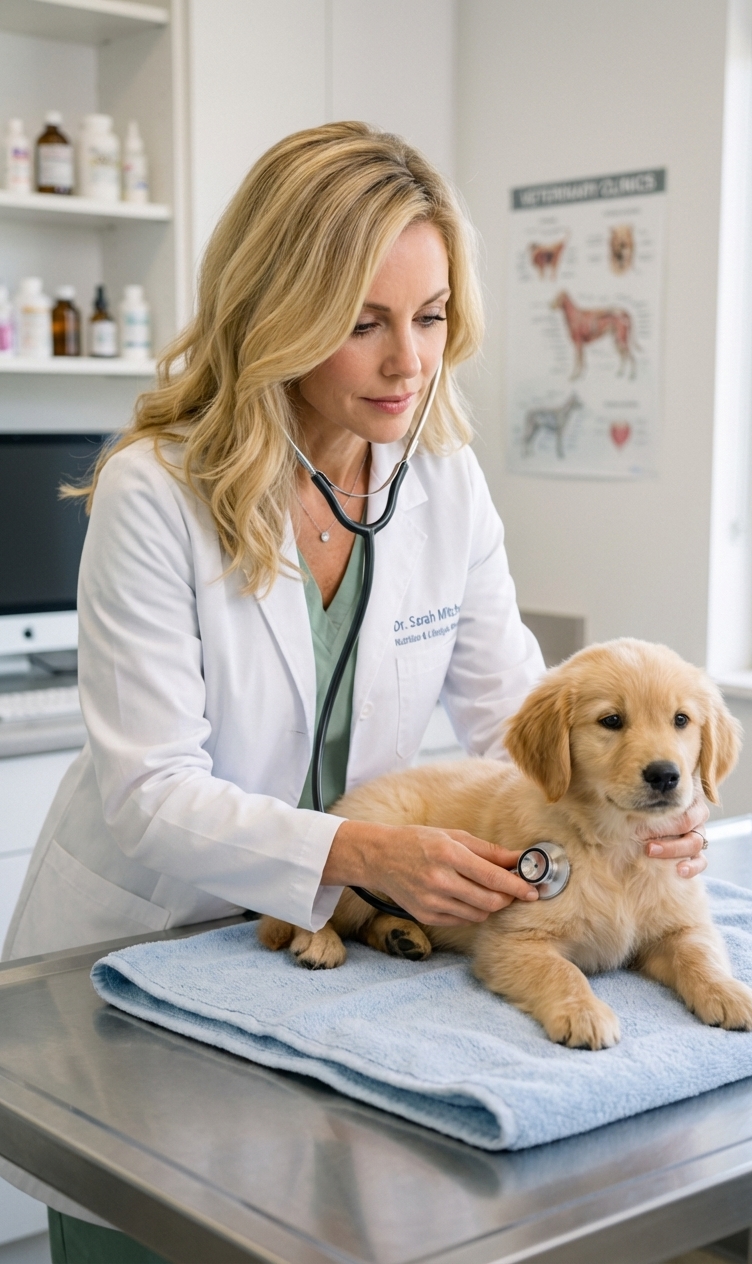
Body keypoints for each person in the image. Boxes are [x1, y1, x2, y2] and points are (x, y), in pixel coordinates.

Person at [2, 122, 708, 1262]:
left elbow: (509, 711)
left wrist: (636, 805)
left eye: (429, 318)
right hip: (157, 937)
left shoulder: (440, 477)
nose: (410, 363)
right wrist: (362, 855)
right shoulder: (155, 492)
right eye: (363, 321)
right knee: (146, 1228)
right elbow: (151, 790)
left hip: (340, 960)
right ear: (274, 312)